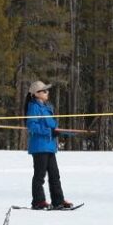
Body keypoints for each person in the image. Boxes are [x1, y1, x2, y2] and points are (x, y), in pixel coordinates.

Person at [24, 81, 72, 210]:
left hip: (50, 146)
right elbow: (31, 125)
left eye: (47, 90)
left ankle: (58, 201)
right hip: (39, 146)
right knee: (40, 175)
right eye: (44, 91)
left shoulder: (47, 107)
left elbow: (51, 126)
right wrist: (48, 131)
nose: (47, 93)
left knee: (55, 175)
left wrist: (56, 132)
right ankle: (38, 201)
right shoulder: (33, 107)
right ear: (36, 94)